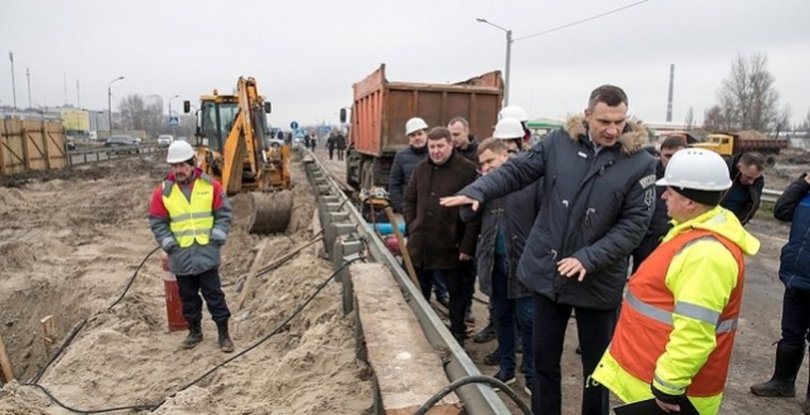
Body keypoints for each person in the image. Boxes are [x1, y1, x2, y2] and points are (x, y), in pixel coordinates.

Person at [441, 85, 656, 415]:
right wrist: (479, 190)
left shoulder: (639, 162)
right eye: (604, 121)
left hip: (597, 281)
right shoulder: (559, 144)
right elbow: (516, 171)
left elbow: (634, 225)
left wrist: (589, 257)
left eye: (619, 121)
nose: (612, 130)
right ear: (587, 116)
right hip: (548, 274)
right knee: (543, 362)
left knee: (596, 373)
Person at [591, 148, 760, 414]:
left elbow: (695, 332)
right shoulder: (691, 234)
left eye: (670, 190)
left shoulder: (706, 254)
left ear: (690, 201)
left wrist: (667, 387)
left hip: (667, 397)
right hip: (649, 381)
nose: (663, 196)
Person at [460, 137, 539, 395]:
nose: (485, 168)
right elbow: (465, 216)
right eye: (482, 164)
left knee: (528, 321)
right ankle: (506, 371)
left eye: (490, 161)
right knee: (502, 318)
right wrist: (476, 194)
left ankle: (530, 373)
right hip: (495, 265)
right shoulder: (485, 186)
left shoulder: (529, 182)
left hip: (524, 266)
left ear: (505, 154)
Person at [148, 141, 235, 353]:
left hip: (206, 253)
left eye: (183, 165)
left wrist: (217, 238)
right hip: (181, 255)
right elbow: (157, 222)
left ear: (193, 163)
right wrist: (169, 245)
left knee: (214, 295)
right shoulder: (163, 193)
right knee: (188, 298)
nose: (179, 170)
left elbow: (223, 214)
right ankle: (195, 331)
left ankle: (223, 334)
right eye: (175, 166)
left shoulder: (210, 186)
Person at [404, 127, 480, 344]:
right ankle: (420, 334)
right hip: (422, 245)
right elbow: (409, 199)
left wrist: (467, 246)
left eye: (440, 146)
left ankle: (458, 335)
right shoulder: (421, 169)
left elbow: (475, 211)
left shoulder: (466, 170)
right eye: (432, 147)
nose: (435, 151)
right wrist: (413, 223)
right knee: (419, 290)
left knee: (457, 296)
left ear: (450, 145)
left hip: (452, 246)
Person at [750, 172, 810, 414]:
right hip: (797, 277)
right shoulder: (805, 194)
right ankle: (783, 383)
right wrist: (802, 182)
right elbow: (781, 210)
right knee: (791, 334)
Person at [474, 117, 528, 347]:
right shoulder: (486, 179)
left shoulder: (528, 176)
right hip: (495, 254)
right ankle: (504, 346)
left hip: (519, 254)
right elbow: (471, 218)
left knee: (523, 311)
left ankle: (519, 348)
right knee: (500, 308)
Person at [631, 135, 686, 271]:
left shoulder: (693, 179)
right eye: (668, 156)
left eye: (677, 156)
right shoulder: (647, 173)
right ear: (660, 155)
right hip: (647, 242)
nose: (672, 161)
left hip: (677, 242)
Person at [389, 117, 429, 213]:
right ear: (409, 138)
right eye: (413, 135)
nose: (417, 138)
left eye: (420, 134)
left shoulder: (435, 154)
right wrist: (402, 207)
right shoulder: (401, 156)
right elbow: (394, 184)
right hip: (411, 210)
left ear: (426, 134)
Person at [720, 152, 765, 225]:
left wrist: (739, 225)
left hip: (732, 225)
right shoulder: (722, 170)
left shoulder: (758, 182)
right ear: (739, 166)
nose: (751, 182)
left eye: (755, 178)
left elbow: (752, 207)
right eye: (748, 177)